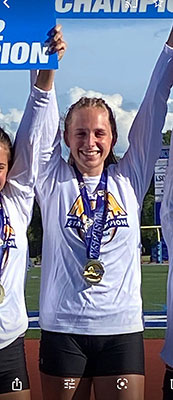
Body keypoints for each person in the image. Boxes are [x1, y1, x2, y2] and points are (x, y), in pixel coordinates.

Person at [35, 27, 173, 400]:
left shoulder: (130, 176)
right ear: (65, 138)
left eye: (99, 133)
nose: (89, 142)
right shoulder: (51, 181)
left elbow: (154, 105)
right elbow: (39, 120)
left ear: (113, 137)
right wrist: (43, 64)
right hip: (63, 330)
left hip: (121, 331)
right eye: (79, 134)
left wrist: (172, 46)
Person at [0, 26, 66, 399]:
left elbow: (36, 127)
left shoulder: (17, 200)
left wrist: (47, 69)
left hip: (7, 345)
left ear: (11, 170)